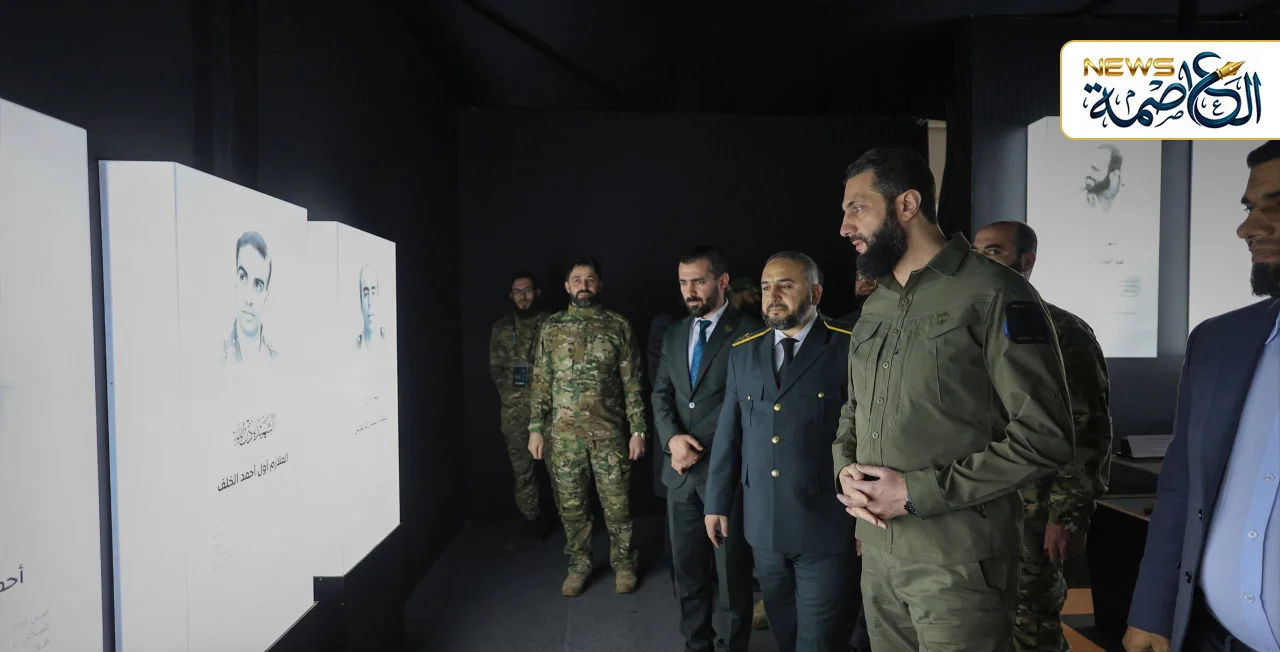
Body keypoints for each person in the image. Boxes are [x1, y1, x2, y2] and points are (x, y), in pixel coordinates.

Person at [832, 146, 1075, 652]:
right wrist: (845, 472)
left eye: (858, 209)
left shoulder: (995, 292)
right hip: (878, 559)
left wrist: (917, 493)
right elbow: (853, 412)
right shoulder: (876, 306)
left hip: (960, 565)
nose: (845, 227)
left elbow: (1045, 437)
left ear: (907, 205)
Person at [1124, 140, 1280, 652]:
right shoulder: (1218, 342)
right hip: (1214, 637)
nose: (1248, 228)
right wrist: (1153, 610)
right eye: (1250, 208)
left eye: (1276, 204)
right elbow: (1181, 487)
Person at [704, 251, 858, 652]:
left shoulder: (848, 346)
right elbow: (729, 432)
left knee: (820, 642)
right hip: (764, 526)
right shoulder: (744, 351)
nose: (772, 296)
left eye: (785, 285)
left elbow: (869, 436)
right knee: (785, 636)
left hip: (826, 524)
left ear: (816, 293)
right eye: (766, 286)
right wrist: (716, 502)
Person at [974, 220, 1114, 652]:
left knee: (1031, 627)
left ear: (1026, 260)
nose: (980, 261)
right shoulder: (966, 326)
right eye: (976, 252)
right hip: (973, 507)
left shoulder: (1061, 330)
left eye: (993, 251)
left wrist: (1068, 515)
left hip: (1033, 514)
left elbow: (1088, 428)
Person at [653, 246, 762, 652]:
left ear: (723, 281)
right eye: (683, 282)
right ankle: (696, 645)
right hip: (680, 474)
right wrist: (672, 440)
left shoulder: (751, 332)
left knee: (732, 575)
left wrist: (699, 446)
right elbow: (660, 395)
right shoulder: (674, 334)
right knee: (687, 572)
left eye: (698, 281)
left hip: (727, 474)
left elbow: (749, 403)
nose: (690, 290)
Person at [528, 257, 648, 596]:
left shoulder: (617, 325)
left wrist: (638, 430)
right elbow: (541, 380)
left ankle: (624, 564)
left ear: (600, 285)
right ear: (567, 286)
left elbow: (633, 383)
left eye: (590, 279)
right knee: (572, 508)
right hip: (564, 438)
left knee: (618, 507)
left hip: (609, 436)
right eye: (577, 279)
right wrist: (535, 427)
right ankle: (579, 565)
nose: (584, 285)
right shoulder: (551, 327)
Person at [488, 272, 552, 552]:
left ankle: (573, 525)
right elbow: (496, 369)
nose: (522, 296)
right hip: (514, 412)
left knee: (561, 469)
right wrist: (514, 396)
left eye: (527, 290)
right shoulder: (502, 328)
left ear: (537, 293)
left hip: (551, 411)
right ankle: (531, 523)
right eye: (517, 291)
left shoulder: (551, 323)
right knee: (522, 471)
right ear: (511, 295)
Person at [222, 231, 279, 366]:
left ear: (266, 297)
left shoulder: (278, 363)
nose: (248, 299)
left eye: (258, 285)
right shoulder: (217, 360)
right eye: (243, 278)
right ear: (235, 281)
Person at [1084, 144, 1123, 214]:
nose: (1089, 174)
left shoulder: (1106, 195)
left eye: (1095, 169)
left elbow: (1112, 190)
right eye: (1091, 167)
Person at [356, 264, 387, 350]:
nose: (370, 302)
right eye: (366, 294)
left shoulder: (389, 343)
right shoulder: (355, 348)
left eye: (373, 293)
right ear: (361, 303)